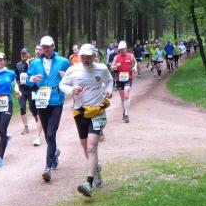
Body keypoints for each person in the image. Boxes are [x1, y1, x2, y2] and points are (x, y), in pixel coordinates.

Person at [59, 43, 112, 197]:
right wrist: (71, 90)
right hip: (80, 112)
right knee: (85, 148)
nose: (86, 60)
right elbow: (62, 84)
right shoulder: (73, 70)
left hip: (97, 111)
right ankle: (96, 169)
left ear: (94, 56)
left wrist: (108, 90)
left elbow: (109, 80)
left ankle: (88, 183)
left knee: (91, 147)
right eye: (83, 57)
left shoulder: (101, 68)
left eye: (88, 57)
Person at [28, 35, 71, 182]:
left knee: (51, 134)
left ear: (53, 46)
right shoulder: (34, 63)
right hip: (41, 101)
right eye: (43, 47)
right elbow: (27, 80)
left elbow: (72, 78)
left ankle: (48, 168)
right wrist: (32, 79)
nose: (46, 49)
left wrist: (65, 77)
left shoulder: (63, 62)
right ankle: (55, 152)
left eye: (48, 47)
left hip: (56, 101)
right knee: (47, 135)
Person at [15, 47, 44, 144]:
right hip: (22, 89)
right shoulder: (18, 65)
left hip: (31, 89)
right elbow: (17, 78)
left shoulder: (33, 63)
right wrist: (17, 89)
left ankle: (36, 118)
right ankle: (26, 127)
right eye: (21, 54)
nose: (22, 55)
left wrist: (28, 64)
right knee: (22, 107)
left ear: (28, 54)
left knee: (33, 108)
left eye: (24, 53)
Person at [110, 40, 137, 123]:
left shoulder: (131, 56)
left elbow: (135, 62)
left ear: (126, 48)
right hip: (119, 78)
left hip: (128, 77)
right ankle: (124, 111)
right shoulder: (116, 57)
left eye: (123, 49)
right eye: (120, 49)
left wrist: (135, 67)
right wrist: (115, 66)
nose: (122, 51)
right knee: (122, 98)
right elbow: (111, 68)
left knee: (126, 95)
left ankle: (126, 114)